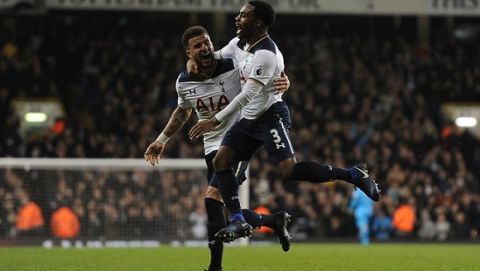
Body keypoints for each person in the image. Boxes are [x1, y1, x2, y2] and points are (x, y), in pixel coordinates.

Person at [189, 0, 380, 243]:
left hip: (271, 115)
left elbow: (248, 95)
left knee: (288, 170)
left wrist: (213, 121)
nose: (237, 18)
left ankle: (353, 174)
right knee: (221, 161)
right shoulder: (238, 44)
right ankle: (238, 220)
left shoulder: (267, 55)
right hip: (249, 118)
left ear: (258, 22)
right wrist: (191, 61)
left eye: (243, 15)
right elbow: (214, 60)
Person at [144, 26, 292, 271]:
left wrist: (284, 80)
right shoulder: (184, 82)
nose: (205, 48)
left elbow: (264, 69)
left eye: (207, 42)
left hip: (237, 141)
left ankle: (215, 268)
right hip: (211, 148)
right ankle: (273, 221)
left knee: (211, 199)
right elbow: (183, 111)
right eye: (198, 45)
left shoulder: (232, 65)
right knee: (220, 212)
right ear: (188, 53)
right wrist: (161, 140)